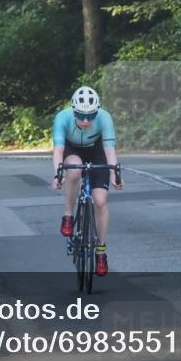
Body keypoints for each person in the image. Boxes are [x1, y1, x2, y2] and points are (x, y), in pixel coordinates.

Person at [51, 86, 123, 276]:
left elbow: (109, 151)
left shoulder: (105, 118)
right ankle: (68, 215)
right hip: (72, 150)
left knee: (100, 201)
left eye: (91, 116)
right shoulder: (62, 118)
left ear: (97, 112)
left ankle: (101, 252)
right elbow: (58, 151)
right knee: (74, 172)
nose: (85, 121)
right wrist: (57, 175)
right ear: (73, 111)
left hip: (96, 151)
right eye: (81, 115)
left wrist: (115, 173)